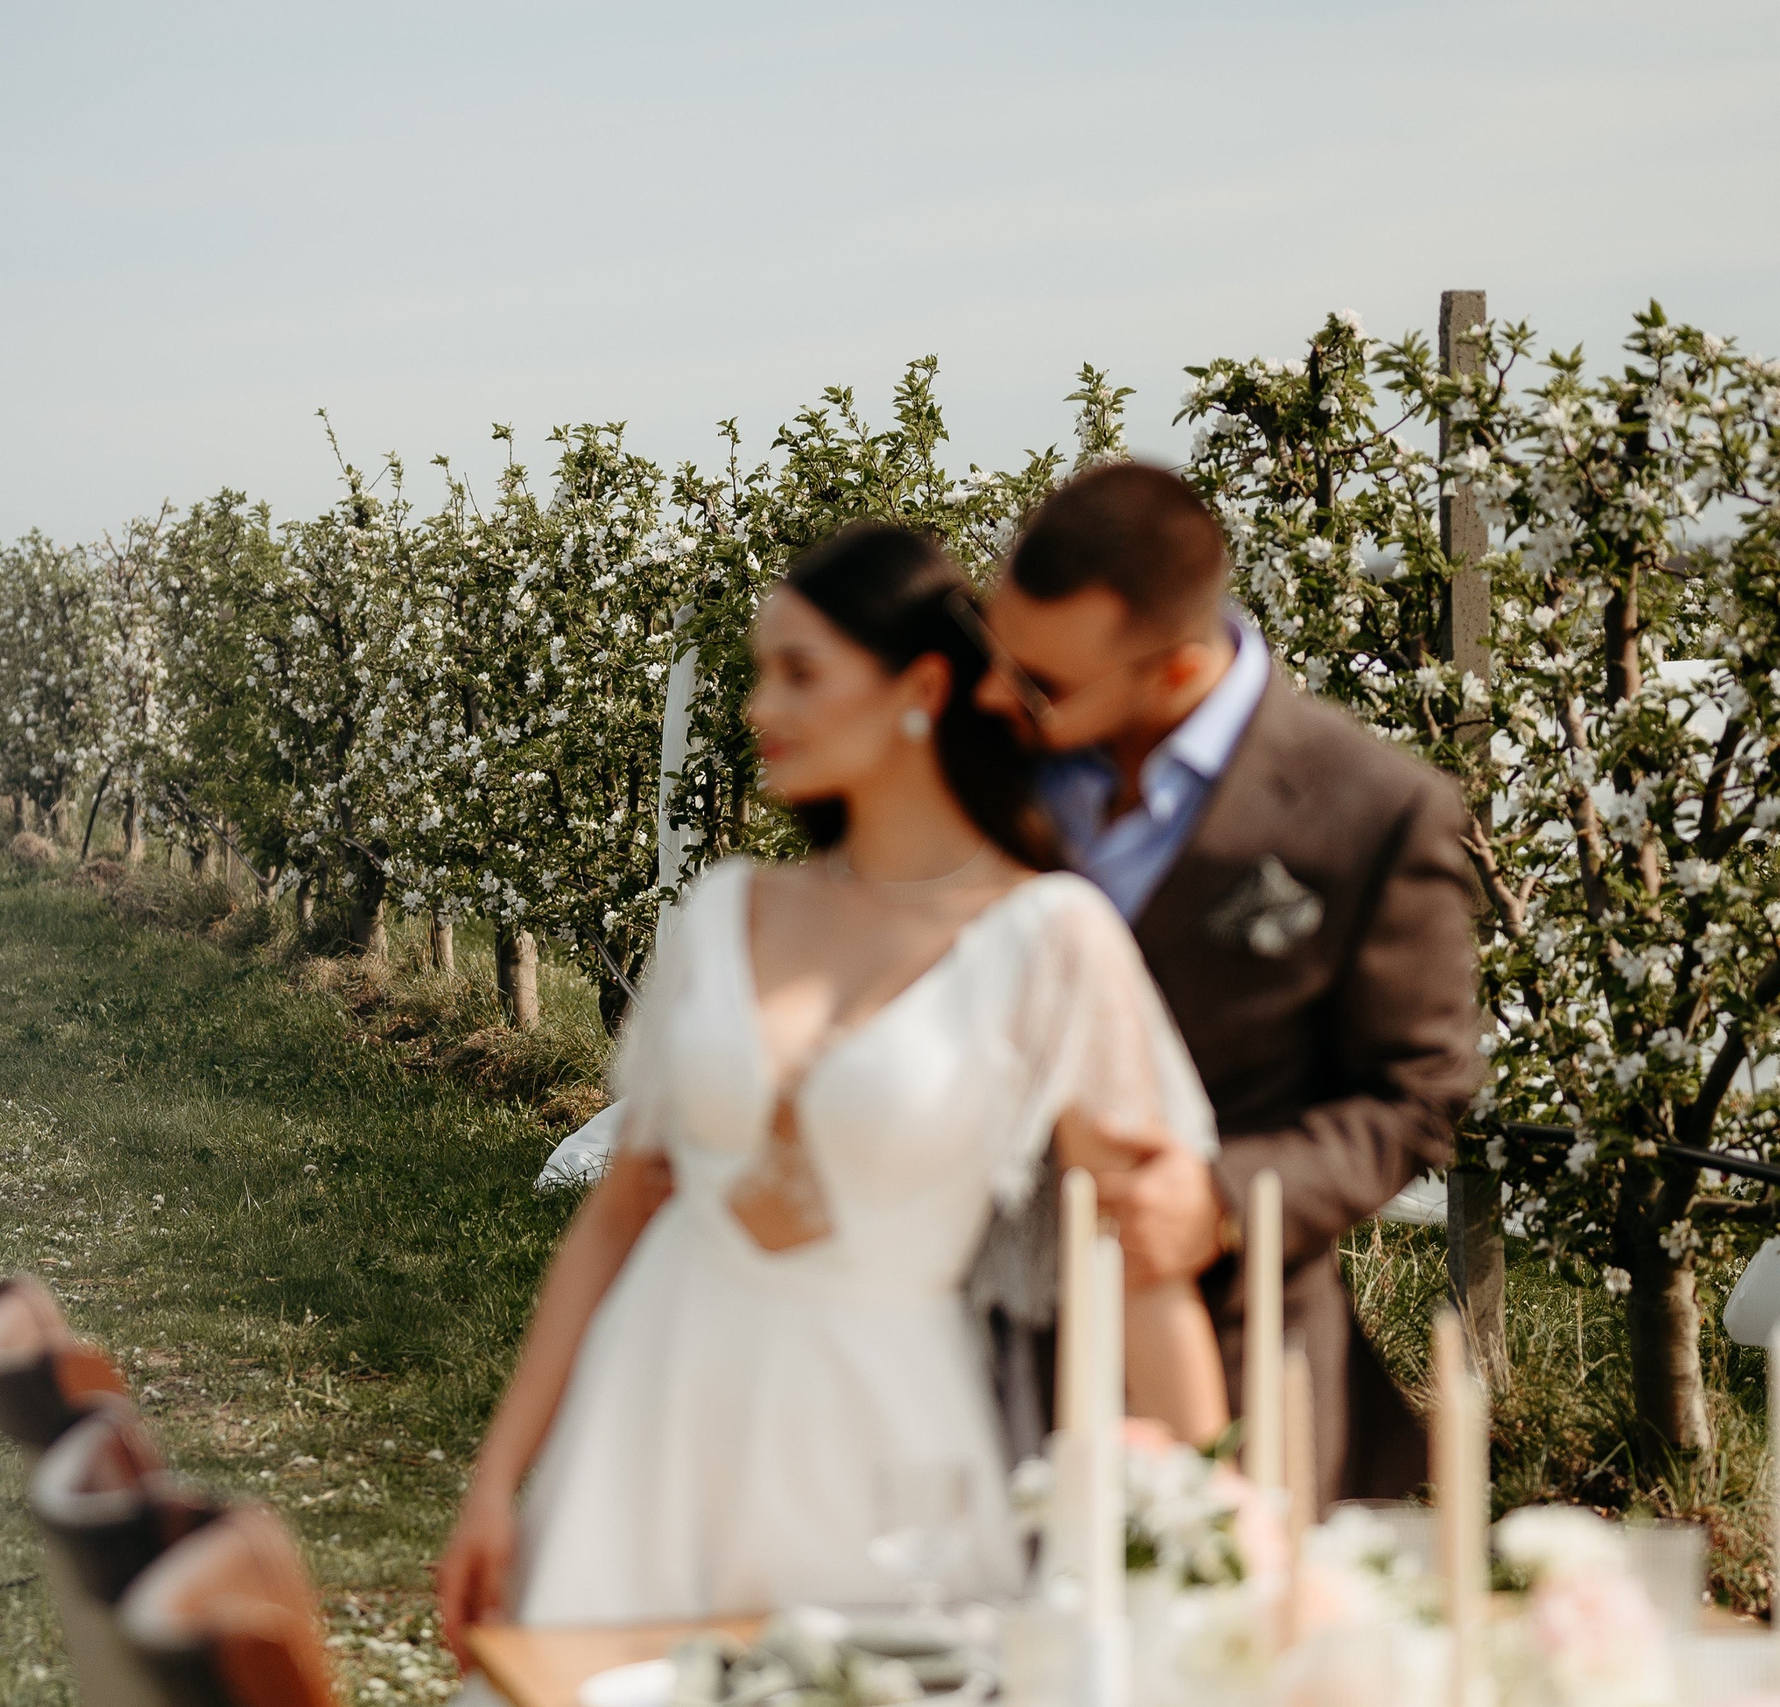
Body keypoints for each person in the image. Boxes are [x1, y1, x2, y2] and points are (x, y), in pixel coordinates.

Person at [436, 522, 1226, 1654]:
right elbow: (620, 1211)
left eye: (801, 672)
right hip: (653, 1412)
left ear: (921, 686)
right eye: (761, 672)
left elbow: (1146, 1269)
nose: (763, 707)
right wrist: (496, 1481)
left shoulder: (1052, 942)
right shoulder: (721, 914)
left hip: (886, 1444)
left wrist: (1227, 1554)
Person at [963, 462, 1484, 1503]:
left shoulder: (1371, 814)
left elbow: (1415, 1098)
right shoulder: (988, 755)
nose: (996, 698)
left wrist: (1220, 1198)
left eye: (1044, 685)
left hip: (1229, 1347)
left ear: (1169, 669)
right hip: (965, 1330)